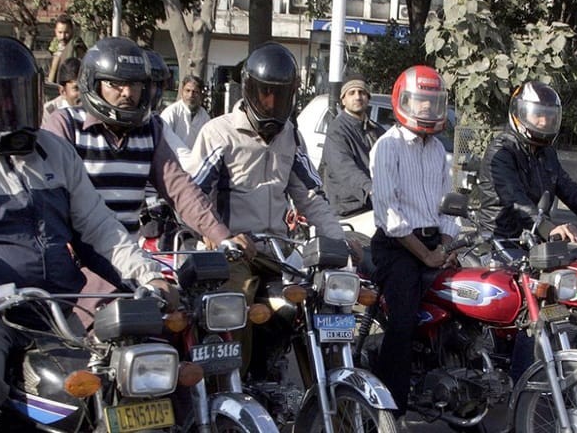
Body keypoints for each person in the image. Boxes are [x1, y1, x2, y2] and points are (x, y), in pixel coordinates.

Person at [0, 36, 177, 433]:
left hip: (56, 308)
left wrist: (150, 276)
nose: (11, 109)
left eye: (20, 96)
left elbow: (99, 228)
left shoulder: (55, 152)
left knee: (116, 380)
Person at [42, 37, 254, 324]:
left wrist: (221, 236)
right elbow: (48, 201)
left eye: (135, 84)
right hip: (77, 266)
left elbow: (180, 187)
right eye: (115, 84)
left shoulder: (150, 129)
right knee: (99, 344)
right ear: (94, 84)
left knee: (179, 327)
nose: (127, 93)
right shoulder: (65, 126)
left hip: (128, 258)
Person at [187, 42, 348, 376]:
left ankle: (318, 387)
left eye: (282, 95)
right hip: (229, 254)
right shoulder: (218, 133)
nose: (273, 104)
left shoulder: (292, 135)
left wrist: (340, 240)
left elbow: (310, 196)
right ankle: (237, 386)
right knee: (238, 304)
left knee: (313, 299)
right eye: (265, 94)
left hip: (276, 250)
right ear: (249, 90)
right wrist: (223, 237)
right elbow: (192, 200)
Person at [368, 65, 460, 420]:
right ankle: (393, 411)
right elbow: (389, 214)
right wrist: (427, 255)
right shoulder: (387, 146)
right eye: (419, 102)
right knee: (403, 324)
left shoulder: (438, 149)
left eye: (432, 103)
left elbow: (447, 203)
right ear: (403, 101)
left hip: (435, 245)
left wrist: (447, 247)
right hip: (398, 248)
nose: (426, 110)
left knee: (466, 308)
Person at [477, 81, 577, 244]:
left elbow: (572, 193)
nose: (544, 122)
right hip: (499, 244)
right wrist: (548, 228)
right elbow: (515, 201)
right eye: (537, 115)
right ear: (519, 113)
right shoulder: (501, 153)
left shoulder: (545, 153)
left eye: (549, 116)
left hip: (532, 243)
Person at [319, 74, 385, 219]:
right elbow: (344, 168)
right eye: (352, 93)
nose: (358, 97)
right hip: (349, 212)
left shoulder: (377, 131)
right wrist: (370, 189)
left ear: (368, 97)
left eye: (362, 92)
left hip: (376, 207)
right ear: (343, 99)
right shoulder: (337, 130)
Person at [161, 75, 211, 150]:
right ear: (182, 92)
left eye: (195, 92)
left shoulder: (204, 116)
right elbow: (162, 138)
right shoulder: (172, 112)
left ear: (201, 94)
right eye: (187, 91)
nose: (191, 95)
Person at [47, 14, 87, 83]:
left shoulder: (76, 45)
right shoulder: (54, 47)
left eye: (66, 32)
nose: (63, 36)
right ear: (55, 31)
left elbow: (84, 66)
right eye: (60, 32)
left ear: (72, 31)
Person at [42, 57, 81, 122]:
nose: (81, 94)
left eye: (84, 87)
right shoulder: (49, 114)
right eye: (76, 88)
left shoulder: (92, 110)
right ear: (63, 91)